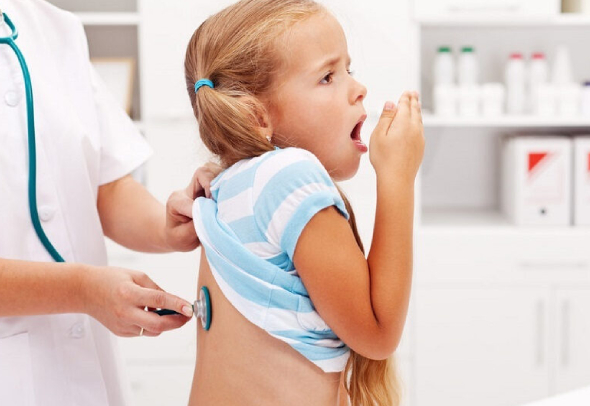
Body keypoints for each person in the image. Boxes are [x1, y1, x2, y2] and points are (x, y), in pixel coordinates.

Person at [183, 0, 425, 405]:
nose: (358, 89)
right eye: (328, 76)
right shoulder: (288, 175)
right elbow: (378, 334)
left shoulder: (227, 184)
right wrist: (397, 177)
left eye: (349, 70)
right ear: (257, 118)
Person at [0, 1, 217, 405]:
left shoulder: (53, 27)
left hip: (87, 375)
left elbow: (105, 186)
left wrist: (166, 227)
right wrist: (81, 290)